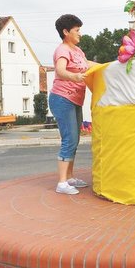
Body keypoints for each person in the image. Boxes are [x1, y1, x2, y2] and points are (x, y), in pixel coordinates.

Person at [49, 14, 97, 194]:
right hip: (62, 99)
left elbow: (88, 64)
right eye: (77, 30)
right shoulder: (62, 50)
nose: (80, 34)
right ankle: (61, 183)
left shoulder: (77, 51)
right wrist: (74, 76)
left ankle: (69, 177)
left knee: (75, 139)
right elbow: (60, 71)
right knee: (69, 139)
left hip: (75, 99)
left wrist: (111, 65)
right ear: (66, 31)